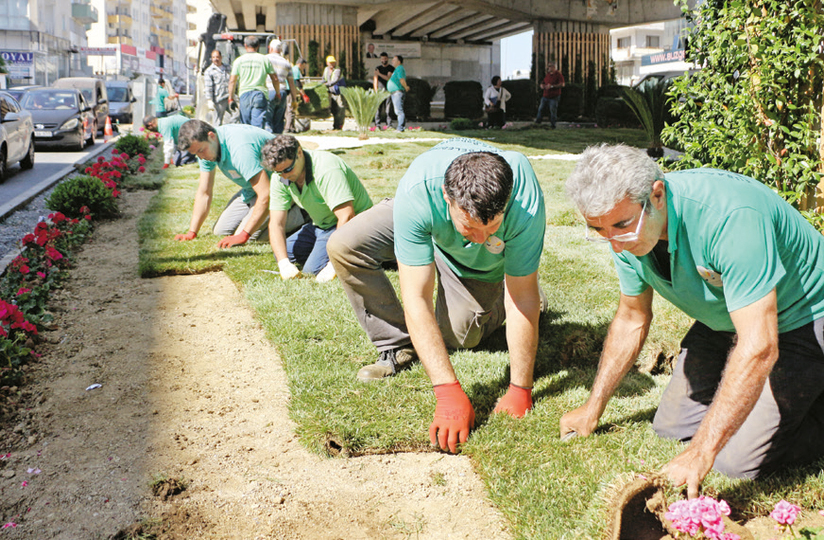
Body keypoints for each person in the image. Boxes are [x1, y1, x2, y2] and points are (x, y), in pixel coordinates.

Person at [560, 144, 824, 497]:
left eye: (621, 225)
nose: (615, 244)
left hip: (803, 320)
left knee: (733, 464)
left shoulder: (730, 216)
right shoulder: (622, 234)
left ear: (657, 195)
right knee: (671, 428)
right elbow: (631, 318)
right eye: (599, 229)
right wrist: (593, 409)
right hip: (728, 317)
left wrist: (701, 452)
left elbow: (759, 346)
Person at [326, 138, 546, 454]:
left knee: (459, 335)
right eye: (471, 228)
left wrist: (520, 387)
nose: (482, 238)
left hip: (478, 267)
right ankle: (397, 346)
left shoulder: (523, 197)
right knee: (344, 245)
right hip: (429, 224)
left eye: (493, 226)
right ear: (446, 198)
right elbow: (416, 296)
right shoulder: (418, 192)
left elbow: (522, 297)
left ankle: (507, 300)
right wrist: (446, 390)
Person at [261, 134, 373, 283]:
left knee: (312, 270)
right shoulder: (280, 177)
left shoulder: (326, 168)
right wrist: (283, 263)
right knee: (282, 253)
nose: (285, 176)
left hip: (353, 225)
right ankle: (328, 252)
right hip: (321, 225)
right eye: (279, 172)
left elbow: (347, 216)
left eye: (288, 169)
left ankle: (359, 253)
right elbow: (276, 223)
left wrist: (333, 264)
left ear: (299, 152)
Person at [175, 120, 305, 247]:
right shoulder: (207, 148)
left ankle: (302, 214)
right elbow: (204, 192)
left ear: (211, 136)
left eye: (201, 150)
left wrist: (244, 234)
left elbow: (266, 194)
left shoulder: (240, 149)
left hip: (284, 185)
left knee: (250, 239)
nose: (201, 157)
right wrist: (192, 232)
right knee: (221, 232)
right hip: (253, 189)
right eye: (196, 153)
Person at [229, 36, 281, 129]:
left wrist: (231, 98)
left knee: (245, 125)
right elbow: (275, 79)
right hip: (259, 95)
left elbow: (232, 81)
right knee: (258, 125)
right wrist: (277, 93)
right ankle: (257, 142)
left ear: (245, 46)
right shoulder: (264, 59)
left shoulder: (239, 61)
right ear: (258, 46)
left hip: (244, 95)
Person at [264, 39, 299, 135]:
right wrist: (294, 99)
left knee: (267, 119)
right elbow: (292, 83)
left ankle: (269, 140)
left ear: (270, 48)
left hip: (268, 90)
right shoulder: (286, 63)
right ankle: (278, 140)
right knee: (279, 120)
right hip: (282, 92)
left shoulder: (265, 59)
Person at [204, 50, 232, 126]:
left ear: (221, 57)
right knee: (218, 121)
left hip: (230, 97)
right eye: (213, 57)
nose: (216, 59)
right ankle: (217, 135)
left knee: (235, 117)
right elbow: (208, 86)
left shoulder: (228, 68)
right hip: (218, 99)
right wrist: (209, 100)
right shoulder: (209, 71)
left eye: (217, 57)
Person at [535, 62, 564, 128]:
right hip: (545, 96)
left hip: (554, 97)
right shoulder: (548, 75)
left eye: (550, 66)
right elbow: (544, 82)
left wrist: (552, 86)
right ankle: (537, 122)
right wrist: (542, 85)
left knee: (552, 110)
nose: (548, 67)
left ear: (554, 67)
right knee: (541, 109)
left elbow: (562, 84)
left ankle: (553, 125)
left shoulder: (558, 75)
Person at [386, 55, 410, 132]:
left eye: (394, 60)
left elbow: (401, 79)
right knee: (398, 111)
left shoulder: (399, 68)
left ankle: (400, 128)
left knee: (399, 111)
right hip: (394, 92)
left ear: (399, 62)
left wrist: (406, 87)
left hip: (397, 92)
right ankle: (400, 127)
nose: (392, 61)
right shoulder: (397, 69)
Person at [322, 56, 345, 131]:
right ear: (327, 63)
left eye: (333, 62)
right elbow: (323, 79)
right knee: (333, 109)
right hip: (331, 91)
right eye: (330, 62)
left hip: (339, 91)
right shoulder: (326, 69)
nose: (332, 64)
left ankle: (339, 126)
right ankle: (335, 126)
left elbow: (335, 80)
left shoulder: (337, 70)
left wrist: (326, 85)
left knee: (340, 108)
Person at [373, 52, 395, 130]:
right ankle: (377, 124)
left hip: (388, 90)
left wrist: (379, 74)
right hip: (379, 91)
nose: (384, 60)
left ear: (387, 59)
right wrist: (375, 90)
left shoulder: (391, 68)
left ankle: (389, 124)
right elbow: (375, 79)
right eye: (382, 59)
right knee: (378, 108)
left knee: (388, 108)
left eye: (385, 58)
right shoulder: (377, 68)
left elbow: (388, 78)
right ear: (380, 59)